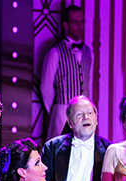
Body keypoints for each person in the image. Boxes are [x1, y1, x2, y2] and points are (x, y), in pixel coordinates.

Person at [40, 95, 111, 181]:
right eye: (79, 114)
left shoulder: (109, 150)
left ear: (96, 119)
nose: (86, 117)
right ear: (70, 123)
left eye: (90, 113)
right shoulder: (52, 147)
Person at [40, 5, 92, 140]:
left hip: (84, 112)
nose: (80, 26)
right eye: (75, 22)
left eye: (82, 22)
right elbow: (46, 87)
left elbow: (88, 83)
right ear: (66, 25)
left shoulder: (88, 52)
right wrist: (56, 110)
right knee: (60, 147)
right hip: (62, 112)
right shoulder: (55, 52)